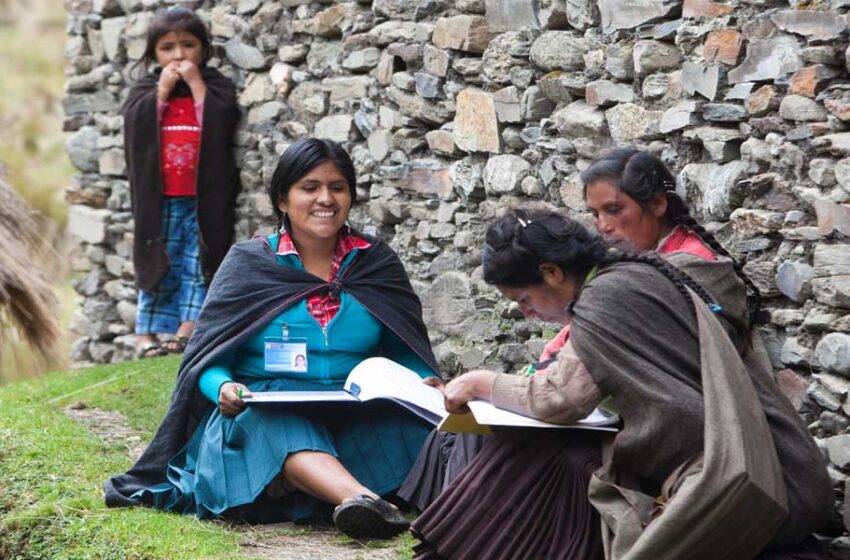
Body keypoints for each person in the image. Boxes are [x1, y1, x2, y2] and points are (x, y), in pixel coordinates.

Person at [411, 209, 832, 560]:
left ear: (552, 272)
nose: (528, 314)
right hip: (777, 465)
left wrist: (480, 383)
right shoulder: (642, 273)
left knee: (541, 454)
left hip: (745, 481)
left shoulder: (605, 298)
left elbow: (558, 399)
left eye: (523, 300)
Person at [105, 139, 442, 540]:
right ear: (283, 199)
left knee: (423, 434)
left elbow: (407, 351)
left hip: (352, 414)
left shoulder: (375, 262)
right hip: (260, 414)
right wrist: (224, 388)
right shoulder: (250, 264)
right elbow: (207, 360)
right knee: (279, 425)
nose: (326, 199)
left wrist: (425, 380)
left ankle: (298, 487)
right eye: (310, 187)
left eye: (337, 187)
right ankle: (368, 502)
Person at [124, 7, 239, 359]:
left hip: (202, 200)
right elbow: (136, 125)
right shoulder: (145, 90)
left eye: (188, 45)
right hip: (160, 201)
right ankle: (147, 332)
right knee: (158, 261)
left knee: (196, 262)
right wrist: (162, 90)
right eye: (167, 48)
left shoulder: (214, 86)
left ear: (203, 49)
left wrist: (195, 84)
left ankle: (187, 328)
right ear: (153, 54)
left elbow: (221, 120)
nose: (178, 55)